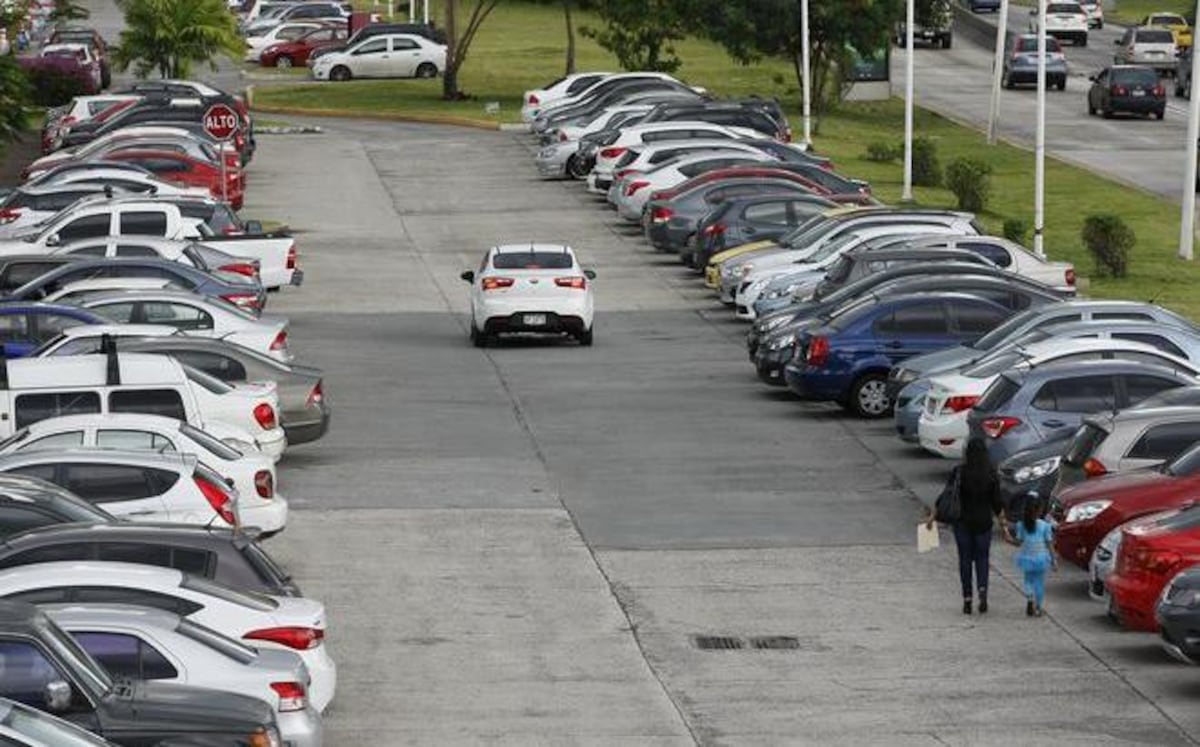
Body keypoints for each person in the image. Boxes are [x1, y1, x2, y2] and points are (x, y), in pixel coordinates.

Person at [927, 438, 1004, 615]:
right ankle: (983, 591)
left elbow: (947, 495)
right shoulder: (991, 474)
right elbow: (997, 502)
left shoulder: (959, 472)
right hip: (984, 522)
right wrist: (1003, 523)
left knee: (965, 560)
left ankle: (967, 598)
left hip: (962, 522)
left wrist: (933, 515)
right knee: (982, 559)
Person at [1006, 498, 1057, 617]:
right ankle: (1038, 607)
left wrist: (1009, 539)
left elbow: (1018, 542)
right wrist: (1054, 559)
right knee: (1039, 583)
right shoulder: (1045, 526)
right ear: (1039, 511)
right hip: (1041, 558)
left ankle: (1030, 598)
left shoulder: (1021, 525)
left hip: (1027, 558)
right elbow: (1049, 544)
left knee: (1028, 580)